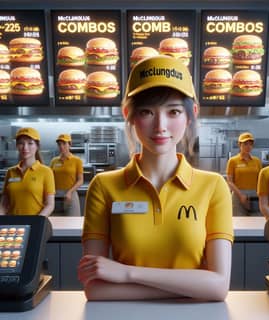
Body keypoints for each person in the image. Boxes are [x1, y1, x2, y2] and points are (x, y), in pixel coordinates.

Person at [78, 55, 233, 301]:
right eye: (147, 112)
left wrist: (126, 274)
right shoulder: (103, 187)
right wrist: (191, 285)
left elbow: (218, 287)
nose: (160, 126)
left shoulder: (213, 186)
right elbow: (95, 289)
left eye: (173, 111)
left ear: (191, 113)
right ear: (128, 113)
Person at [0, 127, 55, 216]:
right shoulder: (10, 172)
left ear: (37, 146)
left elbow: (50, 205)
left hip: (35, 223)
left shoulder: (46, 172)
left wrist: (37, 222)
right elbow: (4, 203)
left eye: (30, 143)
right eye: (21, 143)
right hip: (12, 225)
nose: (25, 147)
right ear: (17, 146)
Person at [226, 132, 262, 216]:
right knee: (239, 222)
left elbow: (261, 180)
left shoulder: (257, 161)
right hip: (238, 194)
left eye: (250, 144)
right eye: (245, 144)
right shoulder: (233, 161)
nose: (248, 146)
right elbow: (230, 181)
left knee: (256, 221)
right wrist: (241, 195)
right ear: (239, 145)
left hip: (254, 196)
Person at [50, 134, 83, 216]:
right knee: (56, 223)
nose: (61, 146)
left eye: (64, 143)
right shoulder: (54, 161)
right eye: (59, 144)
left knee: (73, 222)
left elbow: (80, 180)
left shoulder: (77, 160)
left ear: (70, 144)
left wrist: (70, 192)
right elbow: (49, 179)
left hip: (71, 194)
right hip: (55, 195)